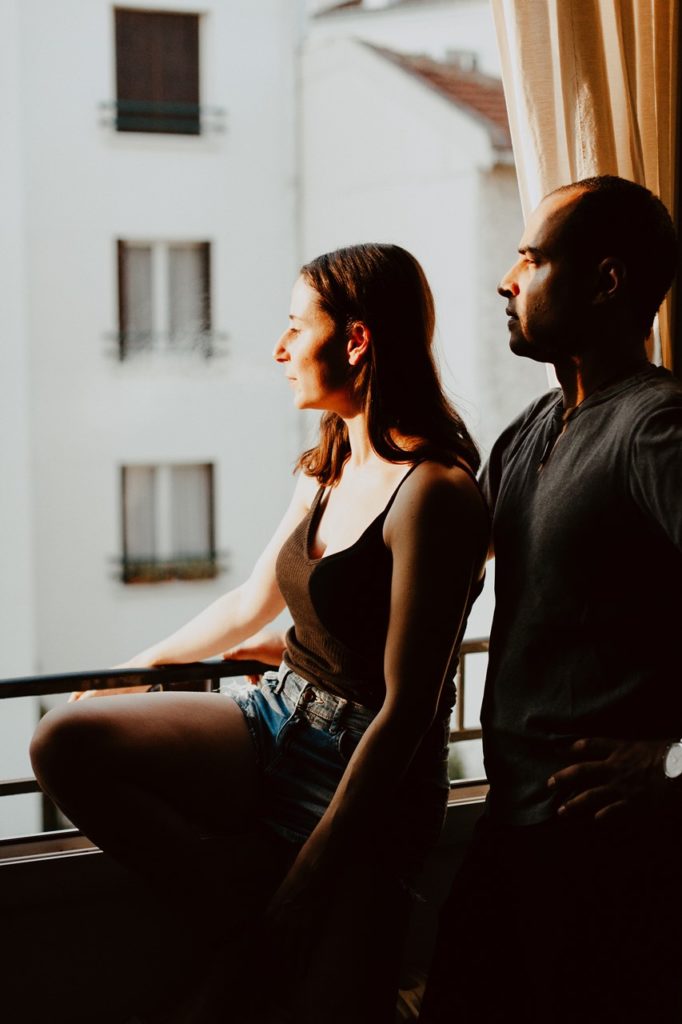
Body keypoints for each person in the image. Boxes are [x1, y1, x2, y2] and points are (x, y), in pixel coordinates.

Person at [30, 242, 489, 1024]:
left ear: (356, 339)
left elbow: (408, 711)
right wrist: (135, 667)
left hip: (366, 778)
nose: (278, 350)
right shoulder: (330, 461)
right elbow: (251, 602)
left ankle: (272, 924)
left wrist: (311, 875)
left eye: (293, 327)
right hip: (276, 714)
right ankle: (244, 908)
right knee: (62, 744)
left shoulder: (434, 495)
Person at [419, 175, 682, 1024]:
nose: (507, 279)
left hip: (608, 849)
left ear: (607, 282)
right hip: (515, 821)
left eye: (529, 259)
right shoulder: (530, 427)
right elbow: (445, 570)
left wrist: (668, 755)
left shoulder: (656, 428)